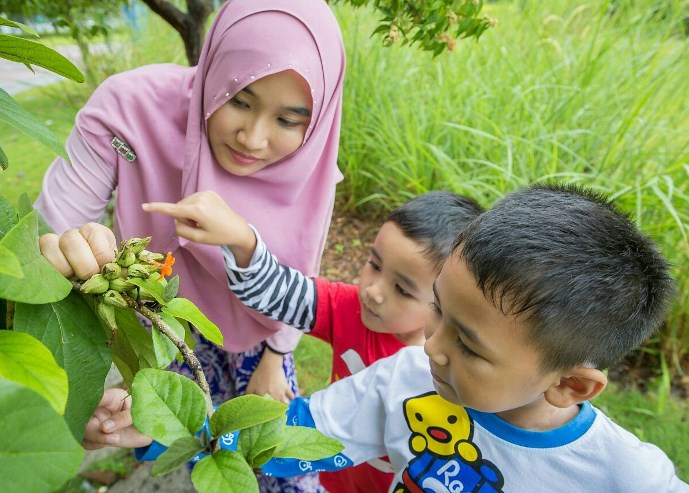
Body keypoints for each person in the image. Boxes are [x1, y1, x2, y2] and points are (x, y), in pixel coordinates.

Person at [86, 183, 688, 491]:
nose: (433, 346)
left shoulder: (625, 476)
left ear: (572, 384)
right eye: (439, 312)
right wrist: (176, 428)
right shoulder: (403, 383)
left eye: (470, 345)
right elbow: (292, 436)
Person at [36, 0, 346, 491]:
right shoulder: (129, 110)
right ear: (214, 68)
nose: (254, 137)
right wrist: (64, 249)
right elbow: (54, 225)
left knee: (268, 455)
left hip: (258, 331)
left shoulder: (314, 158)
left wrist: (275, 355)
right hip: (159, 316)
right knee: (168, 440)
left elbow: (303, 258)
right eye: (239, 100)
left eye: (289, 121)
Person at [140, 189, 484, 492]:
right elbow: (283, 291)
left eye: (402, 289)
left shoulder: (438, 374)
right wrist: (242, 240)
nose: (374, 291)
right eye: (374, 264)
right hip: (333, 474)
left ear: (445, 301)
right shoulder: (349, 308)